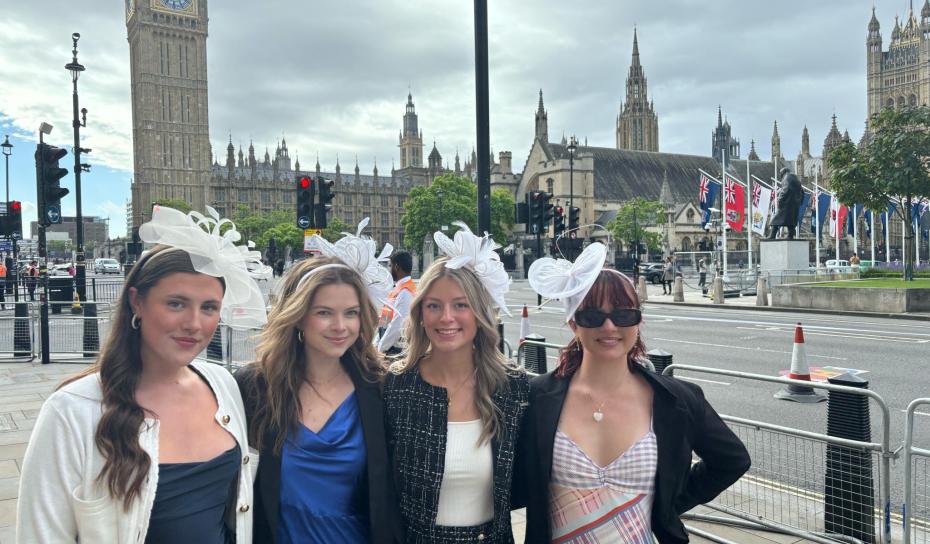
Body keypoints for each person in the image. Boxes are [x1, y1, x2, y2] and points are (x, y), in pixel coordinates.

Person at [16, 205, 269, 543]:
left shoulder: (223, 384)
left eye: (209, 307)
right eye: (176, 304)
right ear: (137, 302)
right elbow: (42, 534)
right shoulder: (73, 410)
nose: (194, 324)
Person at [518, 242, 751, 543]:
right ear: (573, 323)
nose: (610, 326)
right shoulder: (537, 398)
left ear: (638, 320)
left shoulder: (677, 400)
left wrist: (666, 504)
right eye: (592, 317)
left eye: (624, 314)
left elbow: (732, 460)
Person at [235, 219, 404, 544]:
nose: (340, 326)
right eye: (324, 312)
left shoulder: (379, 389)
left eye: (351, 313)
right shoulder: (255, 388)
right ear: (298, 315)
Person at [384, 222, 528, 543]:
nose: (446, 317)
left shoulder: (511, 387)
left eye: (460, 305)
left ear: (478, 313)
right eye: (434, 306)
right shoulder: (396, 387)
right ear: (421, 314)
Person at [378, 249, 416, 357]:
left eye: (390, 266)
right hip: (389, 347)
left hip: (396, 351)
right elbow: (384, 321)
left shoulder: (405, 292)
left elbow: (397, 326)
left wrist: (380, 348)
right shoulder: (399, 289)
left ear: (396, 267)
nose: (389, 270)